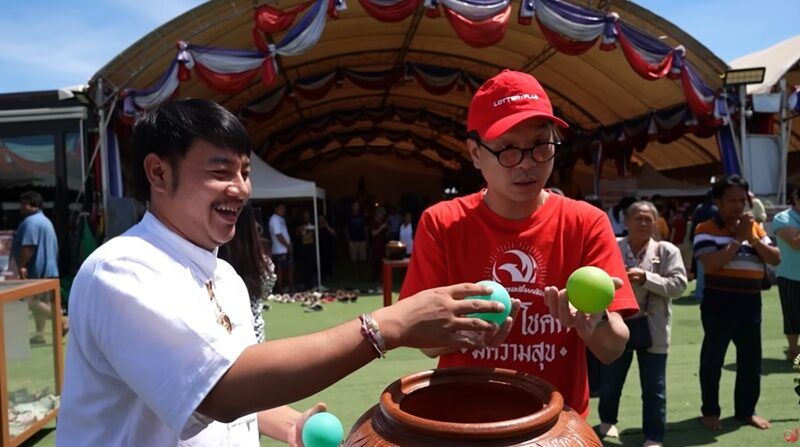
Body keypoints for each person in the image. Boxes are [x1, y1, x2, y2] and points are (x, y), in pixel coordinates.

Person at [57, 99, 514, 446]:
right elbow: (219, 390)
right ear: (158, 172)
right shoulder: (121, 271)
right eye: (220, 172)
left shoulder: (227, 278)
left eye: (245, 172)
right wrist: (388, 326)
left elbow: (240, 388)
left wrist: (291, 423)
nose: (239, 189)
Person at [399, 70, 638, 419]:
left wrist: (594, 322)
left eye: (541, 146)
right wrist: (465, 332)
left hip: (555, 426)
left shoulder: (587, 223)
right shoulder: (443, 223)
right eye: (507, 149)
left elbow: (613, 348)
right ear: (475, 153)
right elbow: (426, 344)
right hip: (464, 422)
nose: (527, 163)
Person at [693, 175, 780, 431]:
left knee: (750, 362)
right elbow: (710, 265)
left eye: (742, 200)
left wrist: (751, 238)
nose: (738, 205)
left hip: (751, 305)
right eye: (732, 200)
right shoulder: (704, 228)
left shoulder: (755, 228)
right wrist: (737, 240)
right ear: (718, 201)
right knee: (712, 361)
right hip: (719, 305)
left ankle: (746, 411)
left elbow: (775, 259)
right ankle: (710, 411)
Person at [598, 201, 687, 447]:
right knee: (611, 380)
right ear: (626, 221)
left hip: (654, 327)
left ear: (656, 222)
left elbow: (679, 285)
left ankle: (654, 435)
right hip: (617, 324)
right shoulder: (612, 246)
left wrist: (646, 277)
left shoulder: (667, 250)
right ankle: (607, 421)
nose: (644, 222)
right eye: (638, 217)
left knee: (654, 387)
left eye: (649, 218)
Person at [219, 203, 275, 343]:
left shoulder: (213, 261)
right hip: (254, 337)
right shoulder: (263, 264)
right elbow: (265, 293)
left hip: (223, 337)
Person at [11, 191, 62, 344]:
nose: (20, 207)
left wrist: (22, 266)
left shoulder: (30, 222)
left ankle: (63, 321)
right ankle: (40, 334)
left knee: (29, 302)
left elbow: (29, 247)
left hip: (38, 271)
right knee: (42, 303)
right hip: (50, 270)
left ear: (33, 206)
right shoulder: (45, 221)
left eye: (24, 204)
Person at [772, 185, 800, 362]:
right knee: (792, 315)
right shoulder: (782, 218)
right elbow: (795, 243)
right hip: (791, 275)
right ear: (795, 198)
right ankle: (793, 350)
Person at [690, 190, 718, 300]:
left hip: (698, 240)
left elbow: (693, 224)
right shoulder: (716, 210)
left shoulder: (699, 208)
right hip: (712, 242)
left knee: (700, 269)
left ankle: (699, 292)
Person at [269, 204, 294, 292]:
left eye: (284, 208)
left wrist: (289, 244)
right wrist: (287, 245)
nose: (283, 210)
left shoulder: (282, 219)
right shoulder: (274, 219)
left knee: (289, 268)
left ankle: (290, 286)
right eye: (281, 208)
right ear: (275, 209)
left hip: (285, 249)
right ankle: (280, 288)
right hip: (279, 250)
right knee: (280, 270)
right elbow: (278, 235)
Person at [294, 209, 316, 290]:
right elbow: (296, 234)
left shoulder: (313, 223)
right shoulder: (299, 224)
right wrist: (300, 230)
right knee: (303, 267)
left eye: (307, 214)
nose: (306, 216)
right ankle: (304, 284)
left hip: (311, 247)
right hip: (302, 248)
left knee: (311, 265)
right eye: (305, 214)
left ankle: (312, 284)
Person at [345, 201, 368, 279]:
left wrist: (367, 238)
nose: (356, 206)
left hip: (362, 240)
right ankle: (355, 274)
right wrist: (348, 239)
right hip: (352, 240)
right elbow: (346, 229)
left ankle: (362, 273)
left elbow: (366, 228)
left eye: (357, 205)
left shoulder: (362, 216)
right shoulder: (349, 217)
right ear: (352, 207)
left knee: (362, 258)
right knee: (353, 258)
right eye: (354, 205)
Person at [369, 207, 388, 281]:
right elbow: (373, 233)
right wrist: (381, 227)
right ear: (378, 213)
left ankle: (382, 278)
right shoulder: (373, 222)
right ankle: (374, 278)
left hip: (383, 245)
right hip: (376, 245)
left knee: (382, 262)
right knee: (375, 262)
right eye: (381, 214)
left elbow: (386, 233)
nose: (382, 215)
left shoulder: (383, 221)